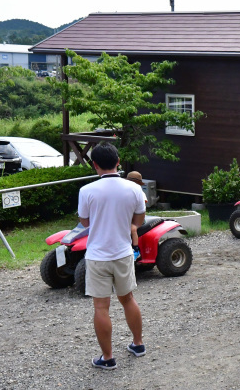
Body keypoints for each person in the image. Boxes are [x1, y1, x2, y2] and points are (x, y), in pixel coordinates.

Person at [78, 142, 147, 370]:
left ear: (95, 165)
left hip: (98, 255)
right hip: (123, 252)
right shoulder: (134, 189)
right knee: (128, 299)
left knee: (101, 307)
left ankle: (107, 358)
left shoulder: (86, 191)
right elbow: (138, 222)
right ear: (118, 162)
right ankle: (138, 344)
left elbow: (85, 222)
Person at [126, 171, 148, 261]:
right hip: (128, 216)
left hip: (138, 218)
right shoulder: (126, 191)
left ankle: (136, 250)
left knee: (132, 228)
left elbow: (143, 202)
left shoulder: (140, 192)